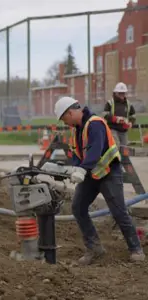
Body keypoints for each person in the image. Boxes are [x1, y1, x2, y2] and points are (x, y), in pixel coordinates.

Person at [54, 96, 145, 265]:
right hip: (90, 174)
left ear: (71, 112)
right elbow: (75, 151)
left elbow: (95, 150)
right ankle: (94, 248)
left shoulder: (95, 123)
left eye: (64, 118)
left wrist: (82, 168)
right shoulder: (76, 129)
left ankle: (135, 249)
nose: (64, 123)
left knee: (118, 211)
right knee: (78, 207)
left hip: (108, 172)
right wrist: (75, 167)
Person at [102, 82, 136, 147]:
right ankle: (115, 157)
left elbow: (133, 115)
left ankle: (124, 157)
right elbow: (105, 114)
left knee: (124, 147)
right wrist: (116, 119)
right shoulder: (110, 103)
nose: (122, 95)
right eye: (120, 93)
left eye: (123, 93)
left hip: (123, 130)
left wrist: (131, 123)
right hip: (113, 128)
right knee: (116, 145)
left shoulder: (128, 103)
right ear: (116, 93)